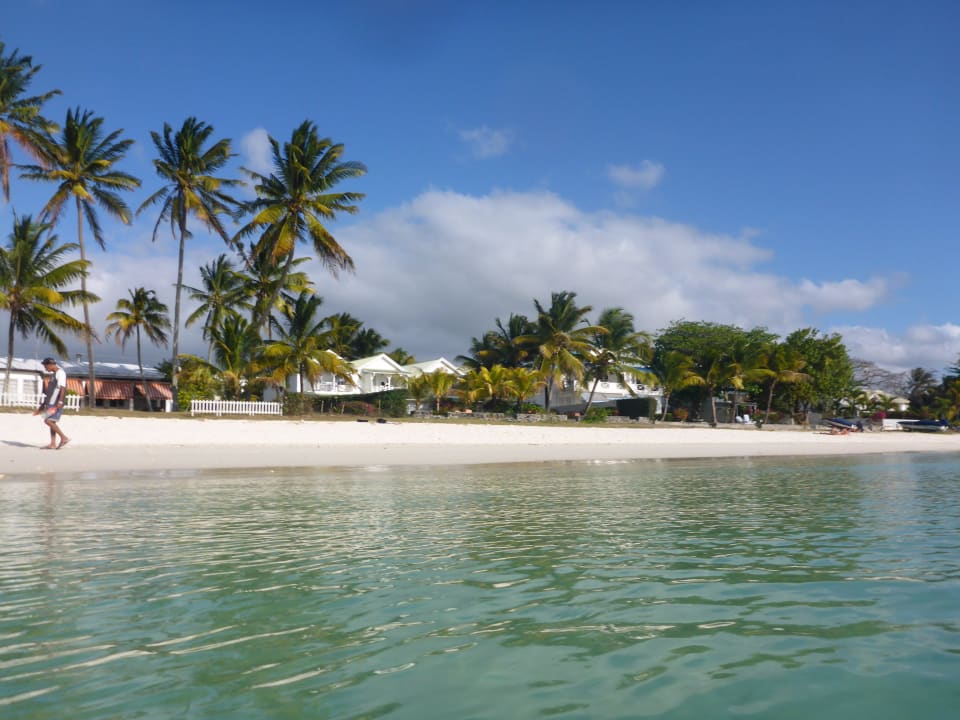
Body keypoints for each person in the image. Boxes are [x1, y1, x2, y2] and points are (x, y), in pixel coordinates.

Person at [33, 357, 70, 449]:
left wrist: (60, 401)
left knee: (48, 421)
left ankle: (64, 437)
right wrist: (42, 405)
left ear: (50, 364)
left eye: (45, 366)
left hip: (56, 402)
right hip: (50, 402)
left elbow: (63, 388)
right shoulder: (54, 374)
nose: (45, 368)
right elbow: (50, 391)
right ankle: (53, 443)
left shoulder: (60, 373)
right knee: (51, 421)